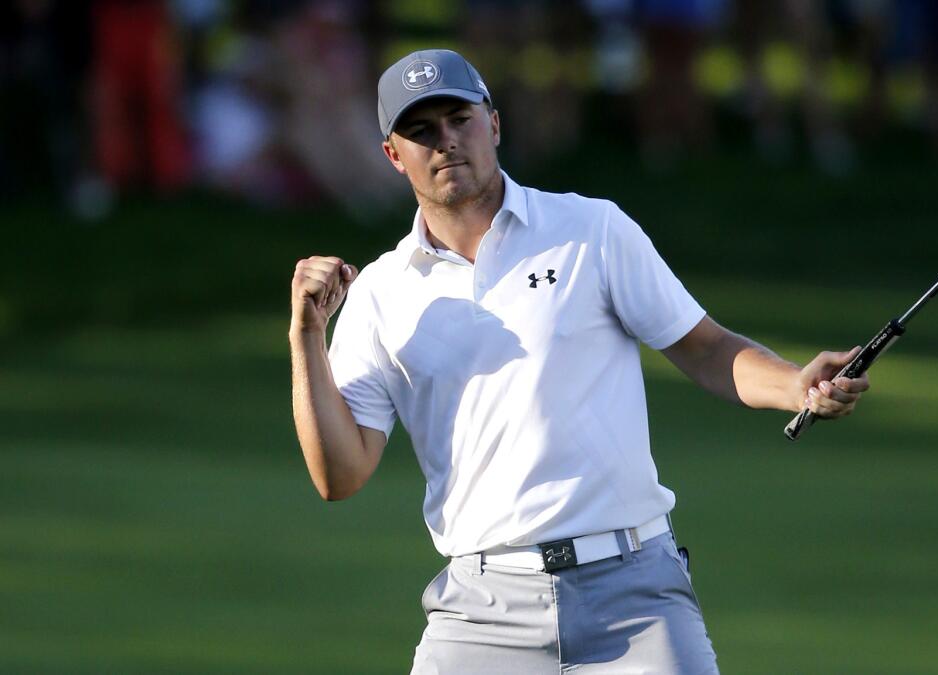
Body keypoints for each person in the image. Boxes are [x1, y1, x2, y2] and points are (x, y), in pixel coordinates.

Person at [289, 49, 870, 674]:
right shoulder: (380, 293)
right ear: (393, 156)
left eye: (460, 119)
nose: (447, 142)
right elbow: (339, 475)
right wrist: (306, 337)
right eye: (422, 131)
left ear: (494, 124)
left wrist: (795, 386)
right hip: (480, 611)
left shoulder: (590, 229)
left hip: (635, 595)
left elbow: (703, 346)